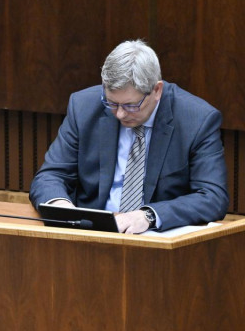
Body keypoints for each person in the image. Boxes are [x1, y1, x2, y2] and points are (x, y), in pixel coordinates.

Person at [29, 40, 228, 234]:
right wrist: (61, 206)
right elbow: (50, 175)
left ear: (157, 90)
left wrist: (149, 216)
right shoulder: (84, 107)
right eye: (112, 103)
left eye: (131, 105)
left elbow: (212, 197)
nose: (120, 114)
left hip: (156, 241)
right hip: (92, 234)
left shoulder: (197, 119)